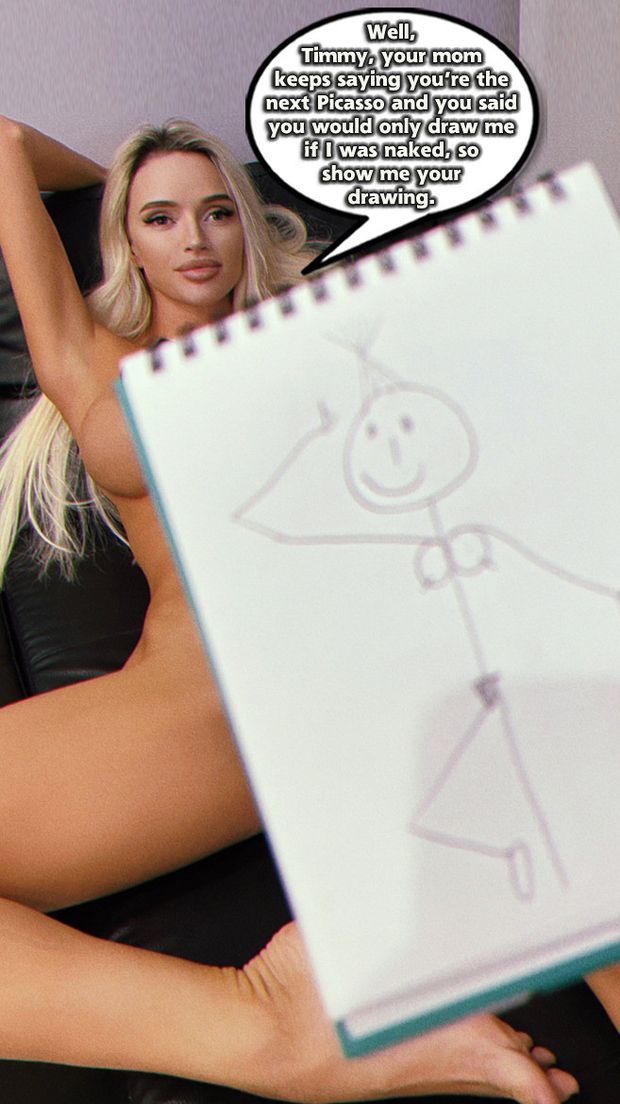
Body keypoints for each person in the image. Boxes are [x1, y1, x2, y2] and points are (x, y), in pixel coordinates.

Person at [0, 113, 581, 1102]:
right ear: (126, 239)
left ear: (248, 226)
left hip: (307, 673)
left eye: (217, 212)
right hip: (181, 697)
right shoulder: (96, 364)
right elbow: (7, 141)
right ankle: (259, 1024)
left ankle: (267, 1028)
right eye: (160, 220)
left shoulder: (324, 333)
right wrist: (120, 181)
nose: (193, 239)